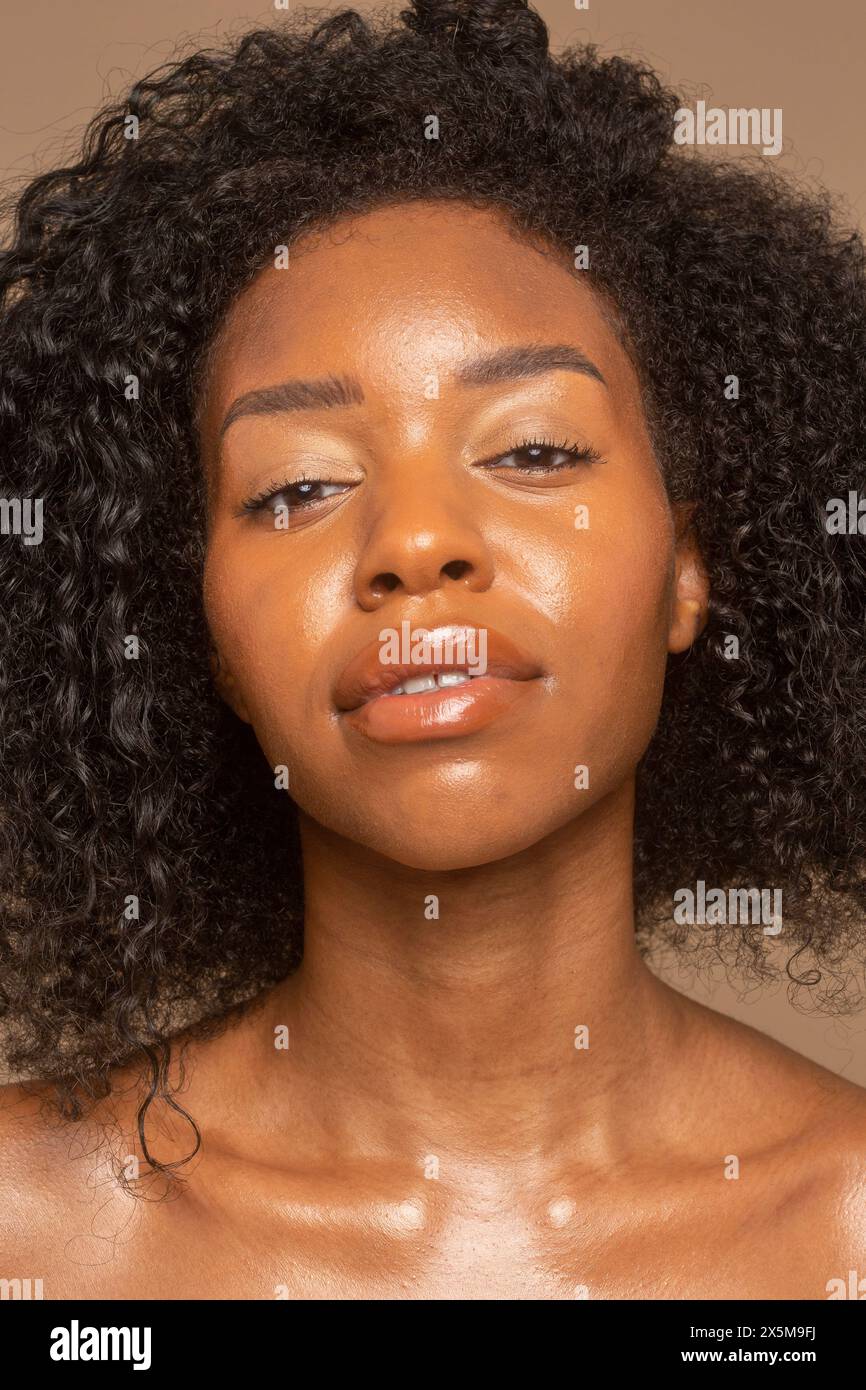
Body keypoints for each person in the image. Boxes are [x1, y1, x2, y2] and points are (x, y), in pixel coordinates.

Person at [1, 0, 864, 1299]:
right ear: (205, 635)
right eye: (294, 487)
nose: (413, 543)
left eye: (532, 451)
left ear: (690, 569)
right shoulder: (25, 1235)